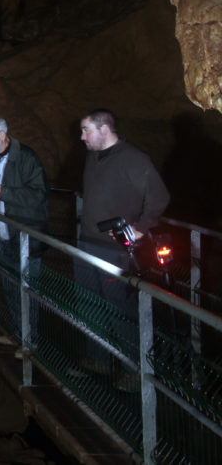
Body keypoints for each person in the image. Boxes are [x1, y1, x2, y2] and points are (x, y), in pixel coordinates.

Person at [76, 108, 170, 368]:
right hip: (86, 243)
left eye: (86, 130)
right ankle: (98, 359)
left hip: (115, 248)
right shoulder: (92, 158)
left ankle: (134, 369)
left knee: (121, 310)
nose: (82, 137)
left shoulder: (135, 159)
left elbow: (159, 197)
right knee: (89, 304)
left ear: (104, 129)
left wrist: (140, 227)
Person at [0, 115, 49, 353]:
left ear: (2, 137)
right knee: (10, 288)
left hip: (25, 237)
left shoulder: (26, 158)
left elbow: (38, 196)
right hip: (2, 235)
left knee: (27, 290)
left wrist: (3, 192)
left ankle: (31, 341)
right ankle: (19, 334)